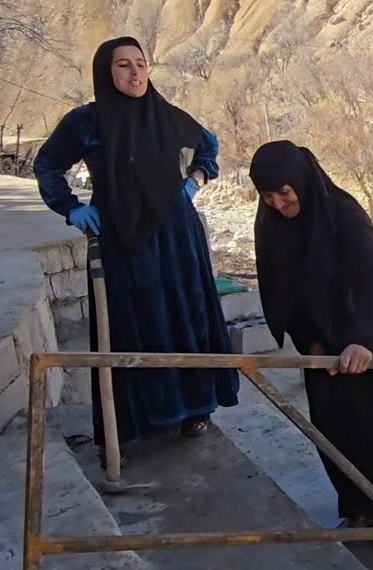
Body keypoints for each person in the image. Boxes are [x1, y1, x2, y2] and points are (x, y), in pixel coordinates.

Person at [33, 37, 239, 472]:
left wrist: (194, 181)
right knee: (133, 326)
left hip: (178, 236)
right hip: (125, 240)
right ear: (106, 73)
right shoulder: (86, 123)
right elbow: (47, 165)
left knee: (186, 318)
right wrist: (72, 208)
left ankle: (192, 410)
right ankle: (125, 425)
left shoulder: (166, 115)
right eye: (123, 65)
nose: (135, 73)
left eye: (141, 64)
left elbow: (209, 145)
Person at [248, 140, 373, 528]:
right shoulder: (272, 226)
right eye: (268, 197)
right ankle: (359, 506)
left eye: (284, 193)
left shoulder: (341, 212)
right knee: (337, 423)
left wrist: (363, 342)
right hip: (326, 333)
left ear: (300, 180)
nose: (279, 205)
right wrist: (311, 342)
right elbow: (284, 293)